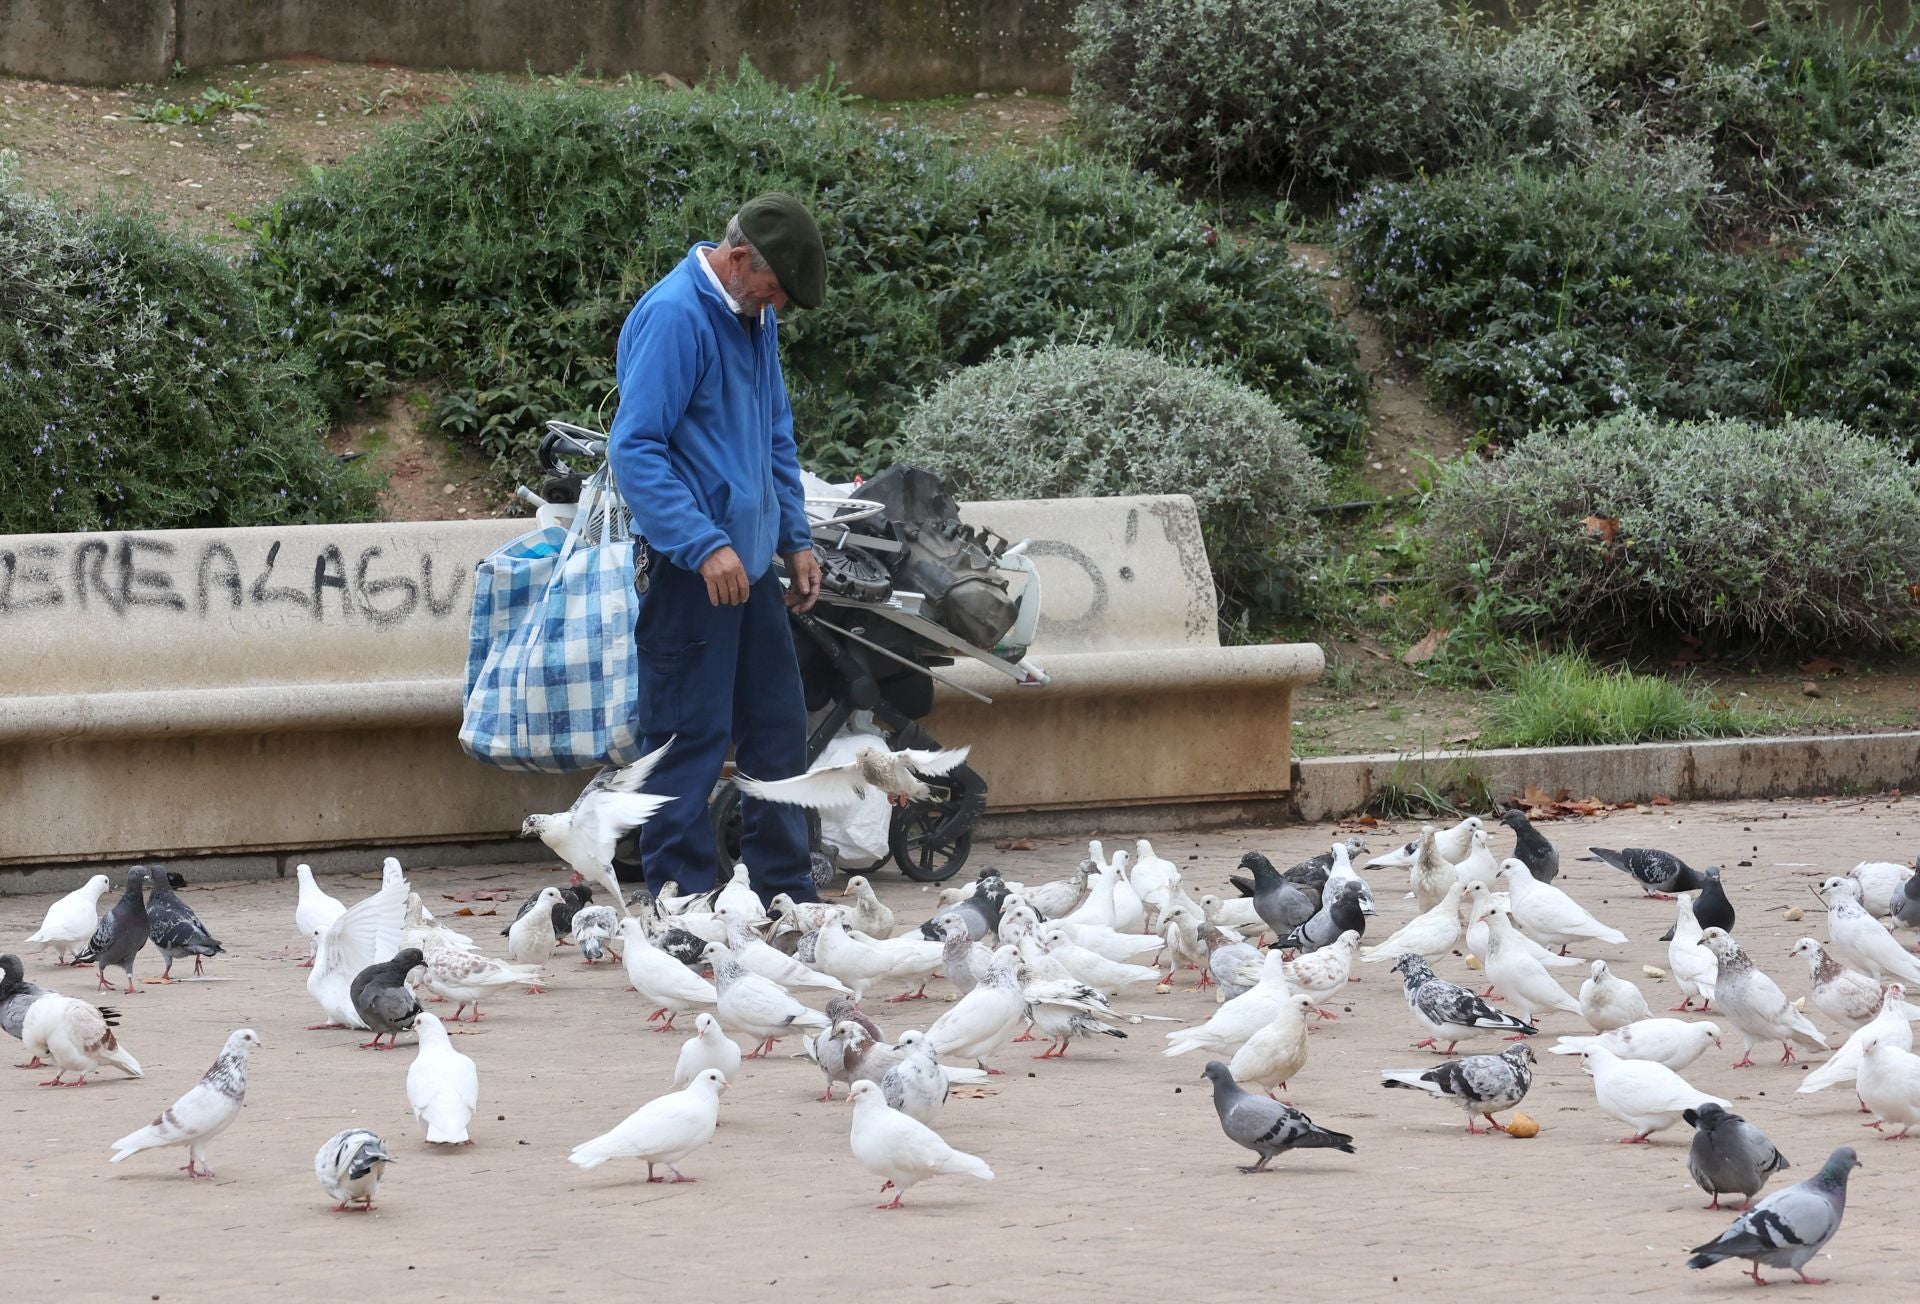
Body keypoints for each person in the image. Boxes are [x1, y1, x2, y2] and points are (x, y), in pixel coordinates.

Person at [607, 193, 827, 903]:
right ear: (737, 260)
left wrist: (794, 537)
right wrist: (702, 544)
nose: (778, 305)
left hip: (750, 565)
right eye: (775, 289)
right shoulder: (677, 316)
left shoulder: (752, 314)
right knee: (687, 741)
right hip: (691, 571)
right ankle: (682, 909)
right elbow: (635, 449)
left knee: (778, 731)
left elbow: (774, 434)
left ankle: (785, 897)